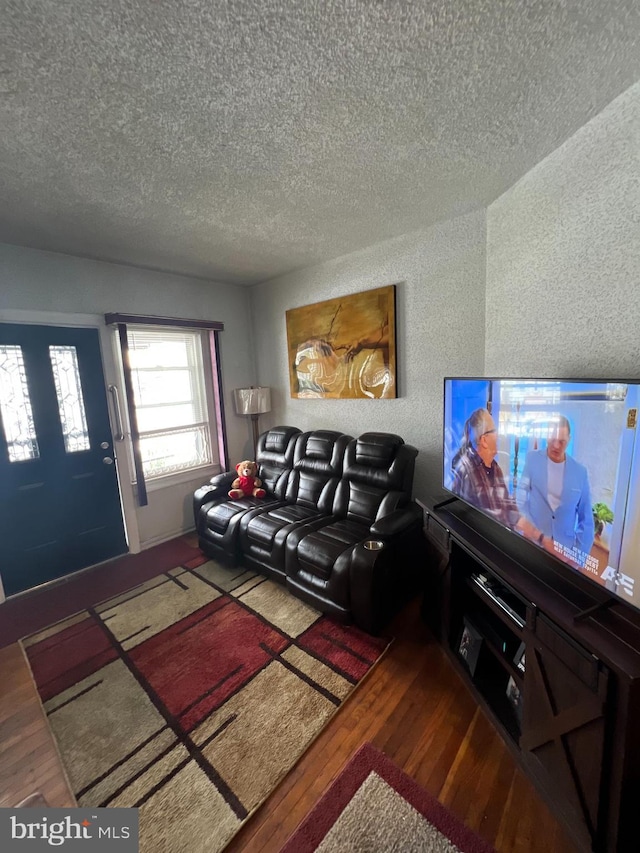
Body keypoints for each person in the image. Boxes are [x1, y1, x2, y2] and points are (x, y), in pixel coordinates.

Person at [517, 415, 595, 565]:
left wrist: (577, 559)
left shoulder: (580, 472)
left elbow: (587, 521)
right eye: (553, 439)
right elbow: (520, 496)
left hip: (563, 553)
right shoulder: (532, 459)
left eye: (562, 441)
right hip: (532, 543)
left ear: (569, 439)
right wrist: (529, 529)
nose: (556, 446)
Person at [451, 408, 521, 530]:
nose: (498, 435)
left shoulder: (495, 467)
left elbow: (507, 506)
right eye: (495, 430)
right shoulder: (468, 471)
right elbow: (473, 520)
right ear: (484, 440)